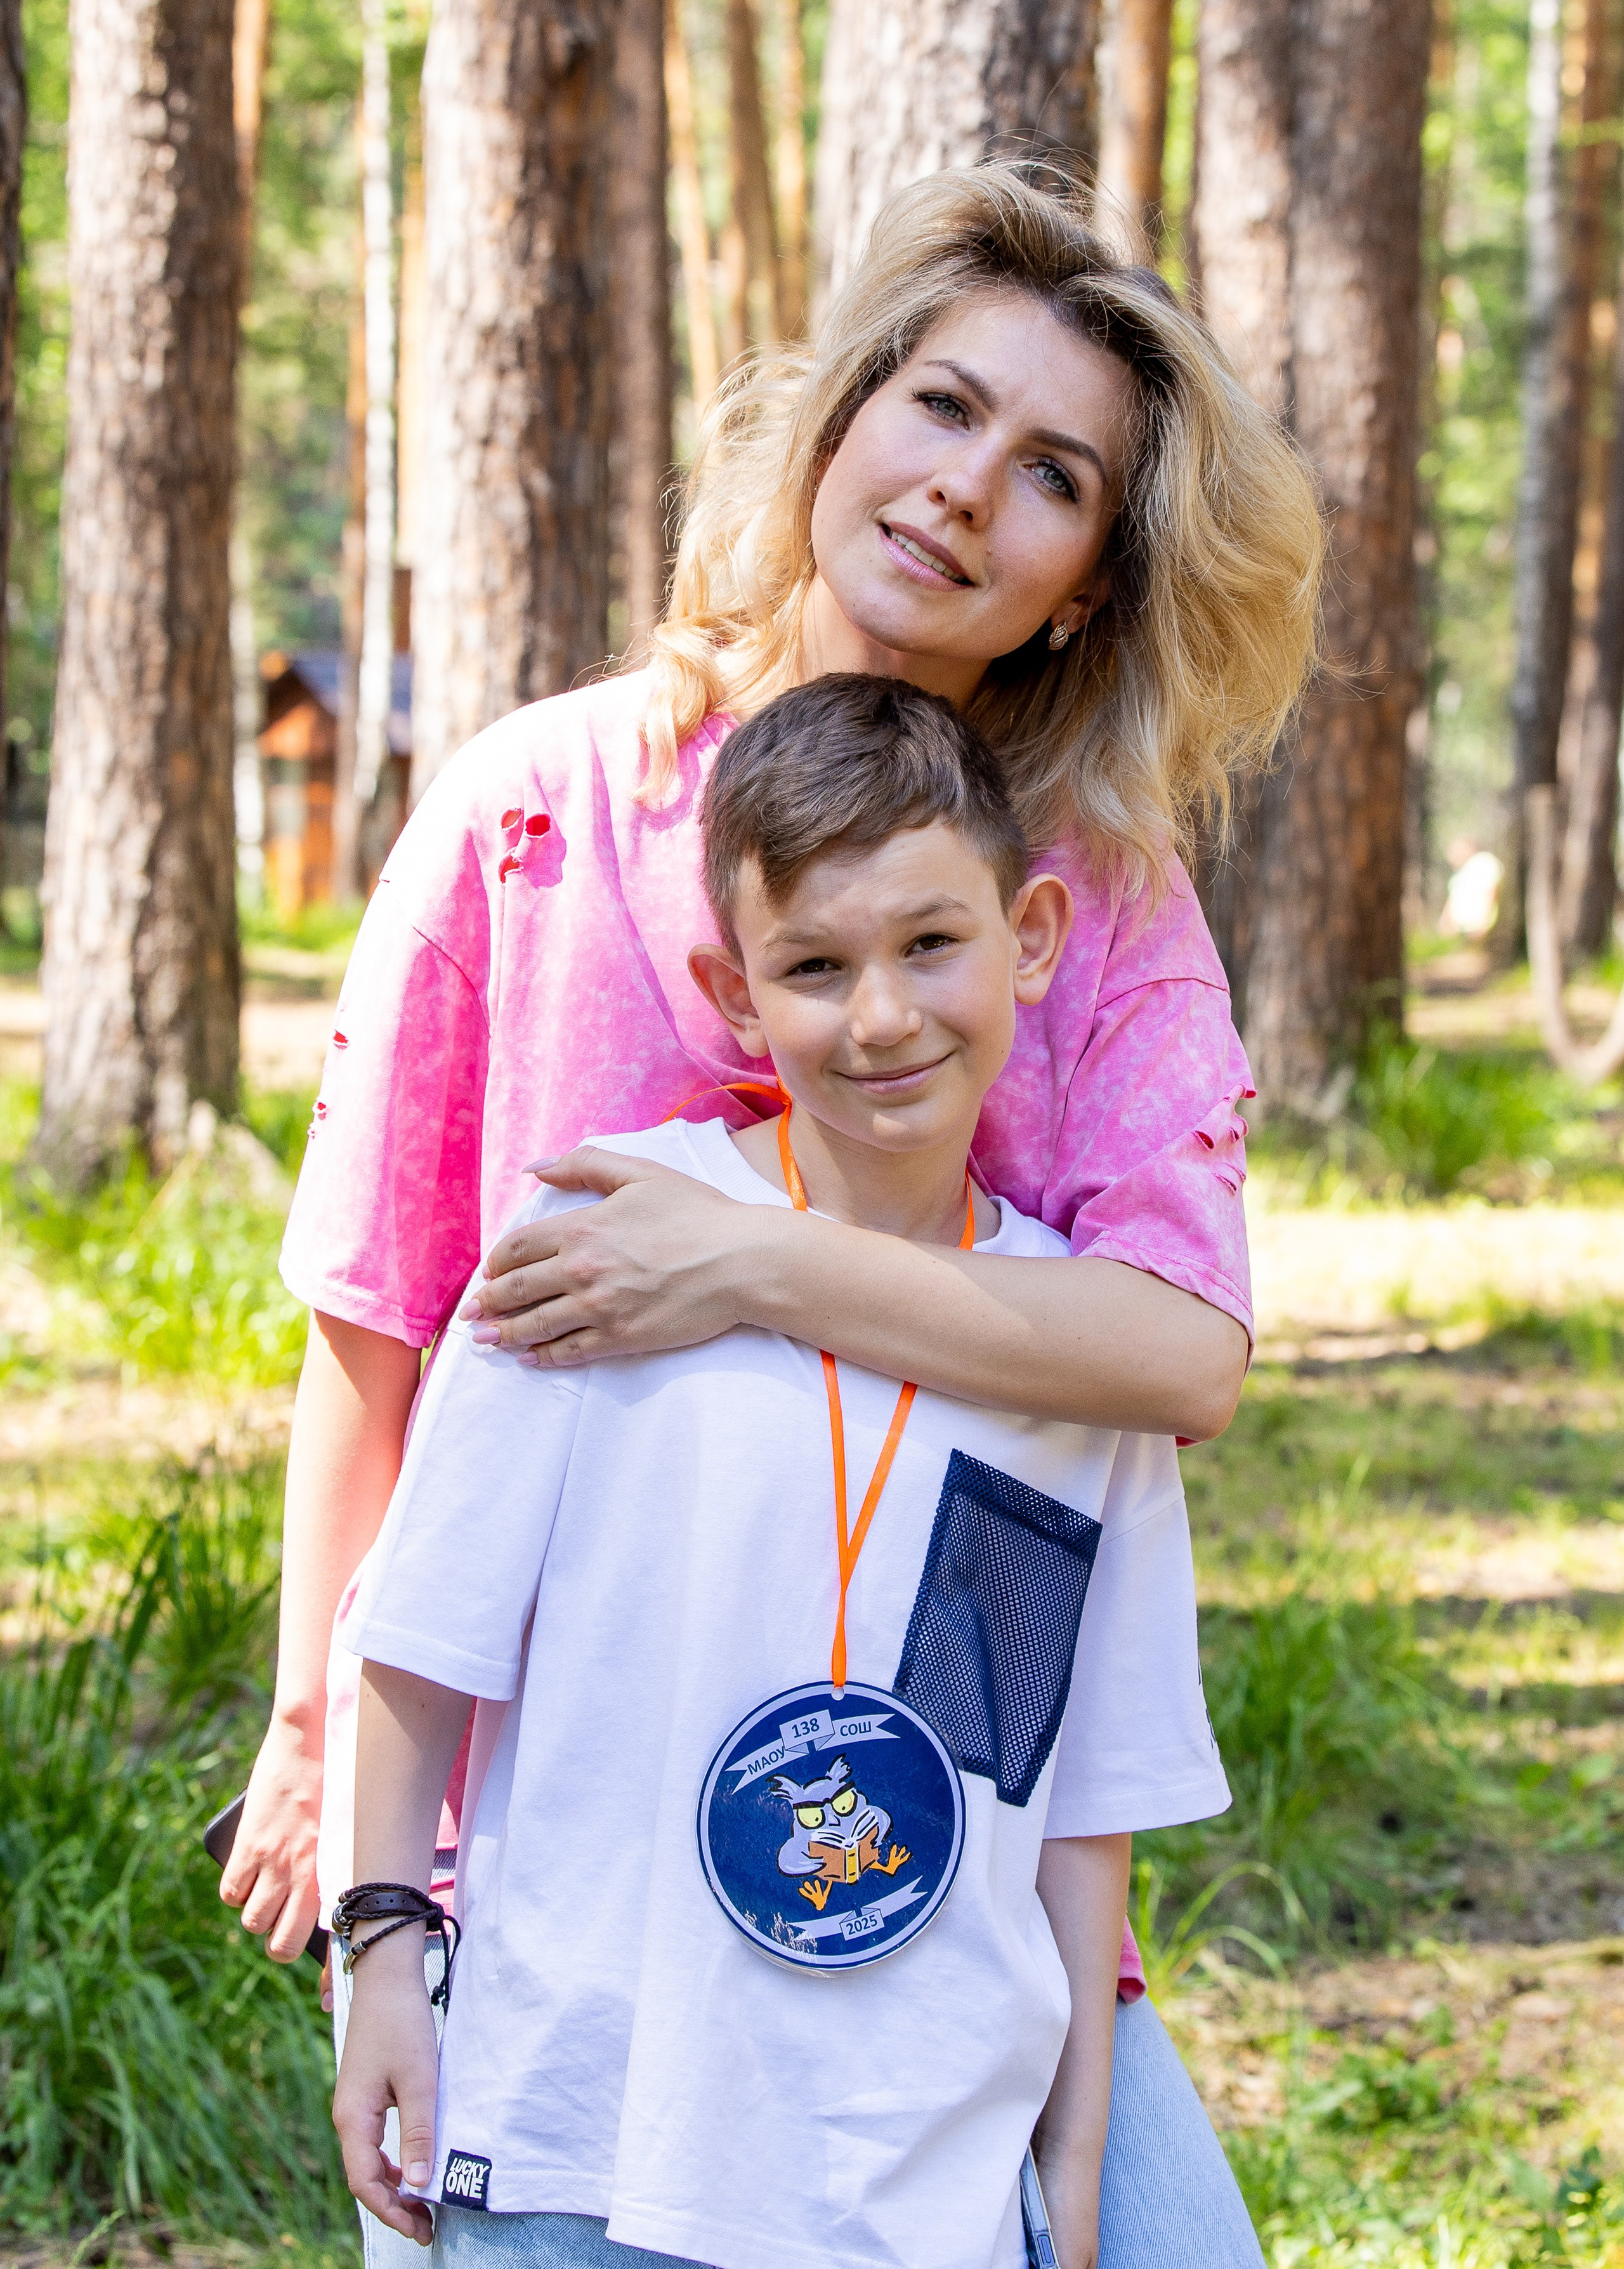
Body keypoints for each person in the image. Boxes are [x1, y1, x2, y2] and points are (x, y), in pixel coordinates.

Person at [221, 162, 1321, 2268]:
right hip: (539, 1849)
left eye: (1052, 475)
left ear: (1088, 575)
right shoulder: (526, 819)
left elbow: (1178, 1354)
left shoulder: (1092, 902)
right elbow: (377, 1326)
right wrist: (324, 1766)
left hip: (917, 1853)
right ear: (840, 415)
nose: (962, 492)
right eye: (936, 406)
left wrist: (747, 1267)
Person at [331, 676, 1234, 2269]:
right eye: (813, 966)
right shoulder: (594, 1260)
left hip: (908, 2175)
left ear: (1029, 937)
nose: (878, 1017)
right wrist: (385, 1951)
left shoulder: (1063, 1365)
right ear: (733, 995)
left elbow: (1074, 1792)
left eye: (928, 945)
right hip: (575, 2146)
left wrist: (1073, 2147)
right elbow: (422, 1638)